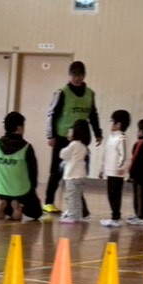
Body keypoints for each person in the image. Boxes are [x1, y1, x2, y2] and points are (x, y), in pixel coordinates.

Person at [44, 60, 102, 212]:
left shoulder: (90, 94)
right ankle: (49, 202)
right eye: (74, 75)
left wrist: (98, 133)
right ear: (69, 75)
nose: (77, 78)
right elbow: (51, 114)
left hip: (82, 139)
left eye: (80, 75)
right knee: (56, 171)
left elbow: (93, 115)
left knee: (79, 172)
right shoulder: (62, 93)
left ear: (84, 75)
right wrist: (50, 135)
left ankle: (79, 206)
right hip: (62, 137)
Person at [100, 109, 131, 228]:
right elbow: (105, 154)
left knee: (115, 195)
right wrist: (102, 169)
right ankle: (114, 216)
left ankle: (116, 217)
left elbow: (124, 155)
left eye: (112, 121)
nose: (110, 124)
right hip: (109, 171)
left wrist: (121, 167)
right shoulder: (111, 137)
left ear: (118, 124)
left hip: (117, 172)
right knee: (111, 194)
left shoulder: (121, 138)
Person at [57, 119, 92, 224]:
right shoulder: (84, 146)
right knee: (77, 197)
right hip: (81, 175)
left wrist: (65, 147)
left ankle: (72, 216)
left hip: (72, 176)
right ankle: (78, 215)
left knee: (71, 197)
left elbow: (63, 154)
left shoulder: (74, 144)